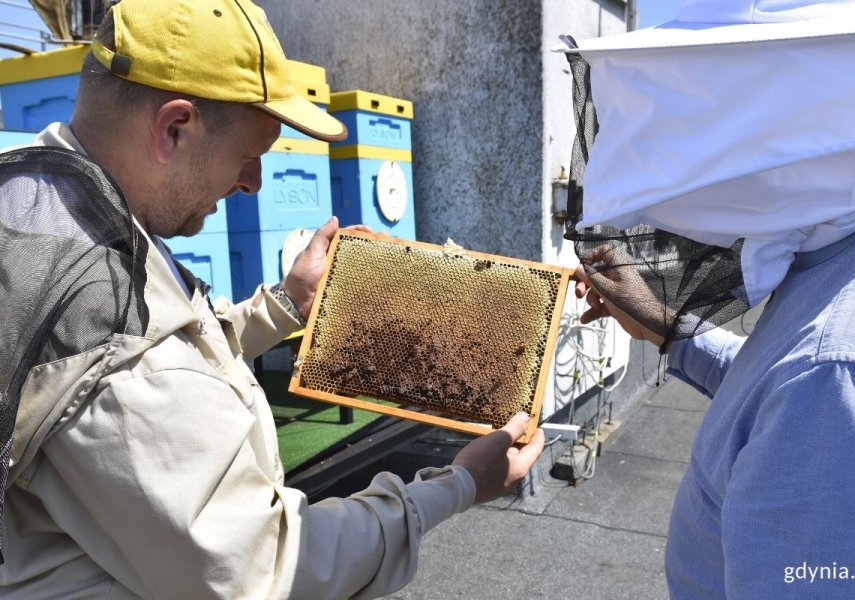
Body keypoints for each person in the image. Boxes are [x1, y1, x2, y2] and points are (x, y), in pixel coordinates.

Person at [0, 0, 544, 598]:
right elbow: (265, 567)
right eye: (249, 154)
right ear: (173, 127)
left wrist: (288, 302)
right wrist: (459, 483)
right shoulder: (109, 331)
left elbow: (174, 346)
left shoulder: (40, 194)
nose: (252, 183)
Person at [562, 0, 855, 597]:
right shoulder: (852, 248)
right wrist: (673, 329)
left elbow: (813, 388)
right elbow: (774, 396)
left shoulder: (841, 376)